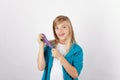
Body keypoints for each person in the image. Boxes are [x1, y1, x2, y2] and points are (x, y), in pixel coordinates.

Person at [37, 15, 83, 80]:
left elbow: (75, 74)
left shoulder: (77, 50)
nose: (60, 31)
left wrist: (60, 57)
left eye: (64, 27)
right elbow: (40, 67)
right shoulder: (49, 46)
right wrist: (41, 46)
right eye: (57, 28)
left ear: (70, 29)